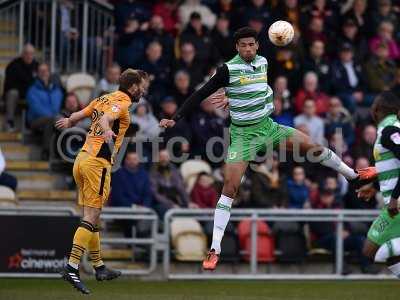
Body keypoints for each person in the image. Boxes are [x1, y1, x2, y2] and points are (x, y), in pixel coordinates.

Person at [159, 27, 365, 271]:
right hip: (243, 136)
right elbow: (200, 93)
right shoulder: (227, 69)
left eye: (251, 44)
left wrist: (233, 98)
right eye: (242, 45)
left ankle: (353, 176)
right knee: (229, 187)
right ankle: (215, 248)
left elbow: (262, 89)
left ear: (257, 45)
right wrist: (176, 117)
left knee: (314, 147)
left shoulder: (264, 62)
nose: (247, 48)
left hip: (269, 128)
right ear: (237, 47)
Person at [55, 69, 149, 294]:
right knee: (90, 216)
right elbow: (107, 119)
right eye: (142, 86)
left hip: (82, 159)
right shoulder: (123, 101)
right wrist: (107, 132)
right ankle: (72, 266)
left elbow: (81, 113)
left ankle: (99, 266)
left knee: (93, 215)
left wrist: (69, 121)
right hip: (98, 162)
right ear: (133, 87)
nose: (143, 90)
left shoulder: (104, 96)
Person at [356, 91, 400, 279]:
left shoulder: (390, 131)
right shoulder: (389, 130)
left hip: (396, 205)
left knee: (373, 251)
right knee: (389, 257)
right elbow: (392, 166)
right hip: (394, 203)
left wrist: (395, 198)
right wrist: (374, 186)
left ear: (377, 110)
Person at [26, 63, 63, 160]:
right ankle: (47, 151)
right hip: (36, 121)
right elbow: (36, 109)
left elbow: (57, 107)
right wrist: (53, 117)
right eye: (41, 71)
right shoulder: (32, 90)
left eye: (45, 71)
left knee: (52, 123)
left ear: (49, 73)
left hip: (52, 121)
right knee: (53, 120)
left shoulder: (57, 90)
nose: (43, 73)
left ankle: (49, 152)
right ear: (37, 74)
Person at [3, 44, 38, 131]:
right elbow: (10, 85)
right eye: (26, 53)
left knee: (38, 94)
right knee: (13, 93)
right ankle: (9, 121)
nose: (29, 56)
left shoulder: (37, 66)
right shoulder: (13, 65)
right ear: (22, 54)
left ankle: (31, 123)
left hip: (31, 93)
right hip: (17, 93)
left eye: (31, 53)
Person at [149, 149, 189, 217]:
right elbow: (155, 194)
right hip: (160, 203)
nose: (164, 159)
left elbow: (181, 188)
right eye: (161, 157)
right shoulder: (153, 171)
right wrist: (171, 204)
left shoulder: (174, 169)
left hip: (176, 202)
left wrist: (188, 203)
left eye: (166, 157)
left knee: (191, 211)